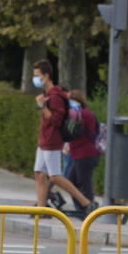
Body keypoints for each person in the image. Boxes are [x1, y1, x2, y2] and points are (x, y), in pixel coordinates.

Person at [31, 60, 96, 214]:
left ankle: (86, 202)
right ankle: (41, 210)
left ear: (46, 76)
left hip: (52, 141)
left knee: (54, 177)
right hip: (44, 140)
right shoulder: (47, 95)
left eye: (37, 76)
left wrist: (42, 107)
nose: (34, 79)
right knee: (39, 174)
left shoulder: (55, 96)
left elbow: (56, 120)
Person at [63, 88, 101, 212]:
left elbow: (71, 130)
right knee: (72, 180)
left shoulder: (81, 114)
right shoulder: (85, 113)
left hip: (84, 154)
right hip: (83, 153)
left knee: (83, 183)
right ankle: (83, 207)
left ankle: (89, 208)